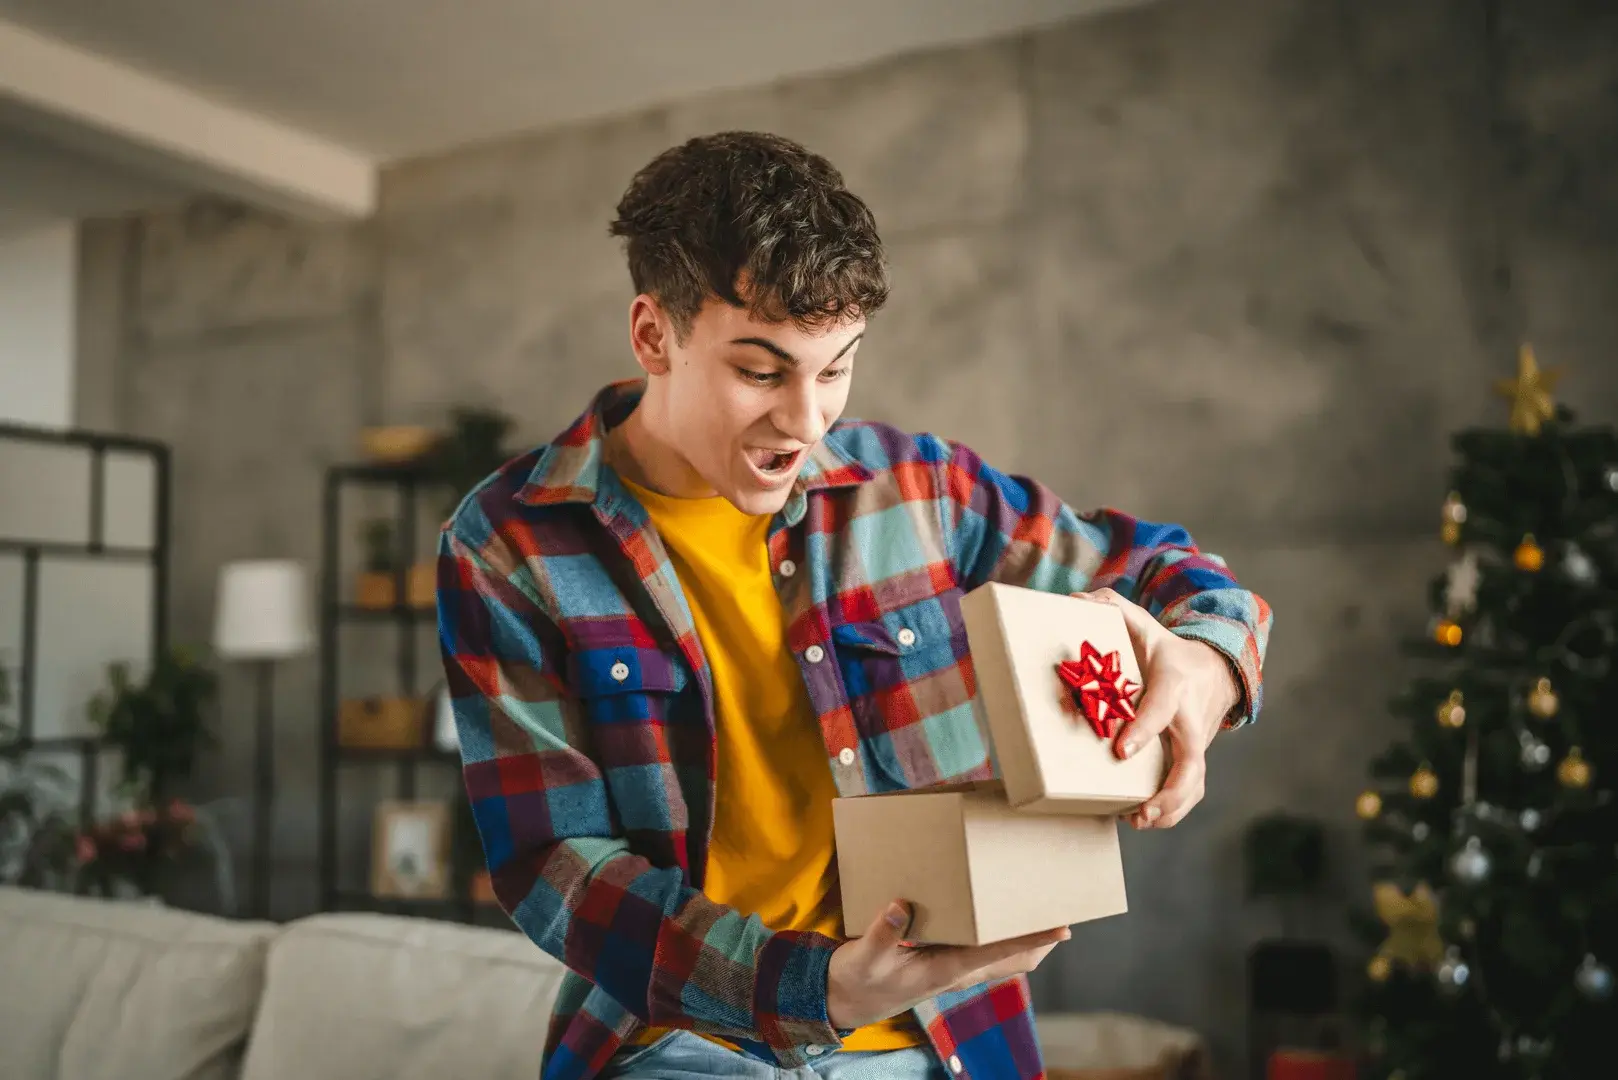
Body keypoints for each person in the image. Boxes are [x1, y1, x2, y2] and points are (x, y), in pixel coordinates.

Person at [437, 131, 1272, 1080]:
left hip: (944, 1040)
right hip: (681, 1038)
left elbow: (1176, 571)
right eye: (761, 371)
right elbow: (555, 862)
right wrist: (815, 989)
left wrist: (1208, 662)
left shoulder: (918, 490)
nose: (806, 421)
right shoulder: (507, 542)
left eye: (834, 368)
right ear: (653, 335)